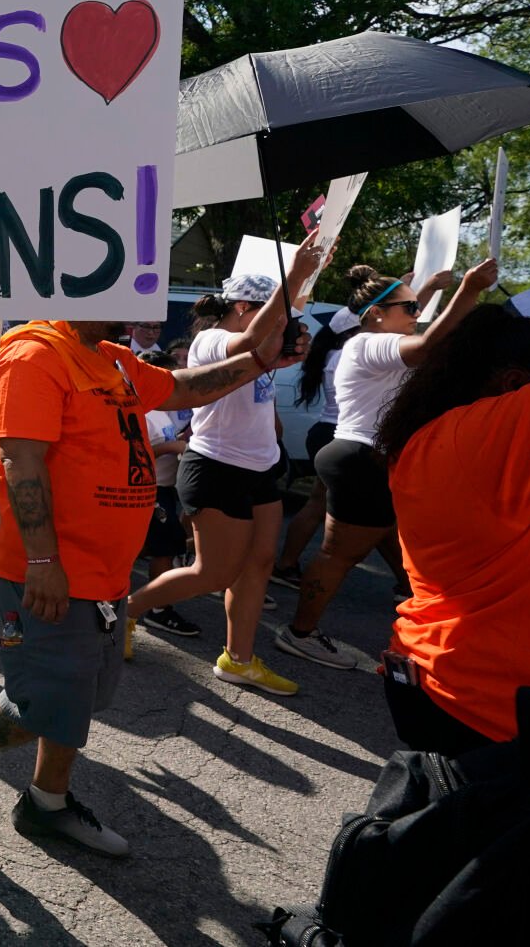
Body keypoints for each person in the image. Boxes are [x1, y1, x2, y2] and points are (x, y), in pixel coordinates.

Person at [0, 315, 306, 857]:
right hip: (50, 570)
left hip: (103, 572)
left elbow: (181, 389)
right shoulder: (34, 353)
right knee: (44, 699)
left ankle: (46, 803)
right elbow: (20, 459)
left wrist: (262, 362)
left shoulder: (110, 357)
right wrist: (45, 559)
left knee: (82, 697)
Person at [376, 297, 530, 753]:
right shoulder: (473, 444)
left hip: (515, 707)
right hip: (501, 719)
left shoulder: (519, 455)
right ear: (516, 384)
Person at [121, 235, 326, 696]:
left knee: (259, 564)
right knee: (211, 574)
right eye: (274, 311)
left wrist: (291, 345)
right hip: (214, 467)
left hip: (259, 470)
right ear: (242, 307)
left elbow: (262, 359)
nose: (285, 322)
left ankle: (239, 660)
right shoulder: (213, 339)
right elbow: (251, 342)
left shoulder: (261, 341)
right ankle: (123, 613)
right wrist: (293, 280)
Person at [275, 259, 497, 668]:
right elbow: (428, 347)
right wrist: (469, 290)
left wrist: (428, 293)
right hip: (362, 460)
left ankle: (424, 609)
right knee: (338, 555)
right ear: (376, 313)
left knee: (391, 538)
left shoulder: (378, 340)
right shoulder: (368, 342)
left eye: (418, 307)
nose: (417, 314)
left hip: (365, 458)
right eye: (410, 308)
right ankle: (299, 633)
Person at [271, 311, 358, 588]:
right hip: (336, 433)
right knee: (373, 514)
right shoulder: (348, 354)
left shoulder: (335, 354)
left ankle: (286, 564)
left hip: (327, 432)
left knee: (318, 503)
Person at [134, 348, 201, 640]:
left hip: (164, 489)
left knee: (161, 547)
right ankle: (158, 609)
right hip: (146, 491)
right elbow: (133, 454)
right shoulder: (142, 410)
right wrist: (173, 448)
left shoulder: (160, 409)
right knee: (164, 549)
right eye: (168, 377)